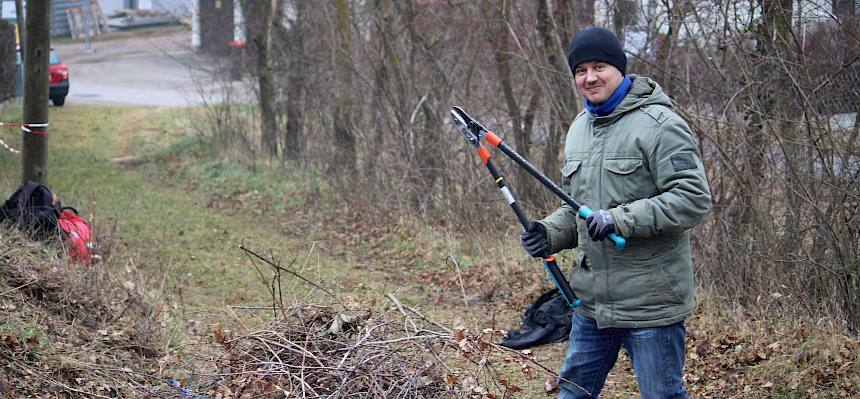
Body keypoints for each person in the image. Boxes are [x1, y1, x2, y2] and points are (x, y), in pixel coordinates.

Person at [519, 27, 712, 398]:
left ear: (619, 69)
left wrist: (620, 219)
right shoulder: (579, 129)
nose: (590, 77)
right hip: (592, 304)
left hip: (650, 304)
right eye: (580, 70)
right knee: (573, 393)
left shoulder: (661, 125)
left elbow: (693, 198)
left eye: (599, 66)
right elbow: (574, 207)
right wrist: (548, 232)